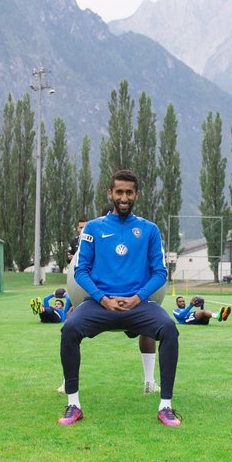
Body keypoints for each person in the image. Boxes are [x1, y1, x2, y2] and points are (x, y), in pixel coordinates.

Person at [59, 169, 181, 427]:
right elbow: (81, 271)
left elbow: (160, 273)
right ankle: (73, 404)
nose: (124, 197)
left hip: (137, 305)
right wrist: (103, 299)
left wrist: (138, 298)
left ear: (136, 195)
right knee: (69, 328)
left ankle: (166, 406)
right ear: (110, 194)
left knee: (169, 328)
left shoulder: (149, 229)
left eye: (129, 192)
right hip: (101, 304)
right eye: (119, 192)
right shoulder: (92, 228)